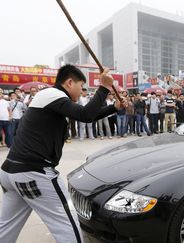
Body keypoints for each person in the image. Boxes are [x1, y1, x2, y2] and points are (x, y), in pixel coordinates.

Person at [0, 65, 127, 243]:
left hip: (11, 171)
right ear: (69, 83)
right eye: (81, 86)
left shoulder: (49, 97)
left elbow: (87, 115)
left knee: (6, 226)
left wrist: (114, 107)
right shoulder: (53, 95)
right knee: (67, 225)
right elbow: (85, 114)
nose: (82, 91)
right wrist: (104, 87)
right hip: (34, 173)